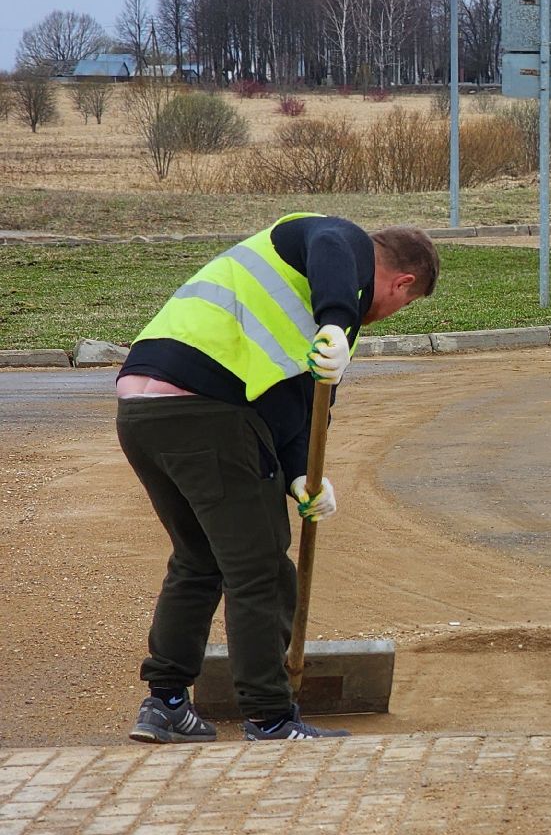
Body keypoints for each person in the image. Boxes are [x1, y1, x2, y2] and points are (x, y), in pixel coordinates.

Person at [118, 215, 439, 743]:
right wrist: (336, 319)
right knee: (261, 568)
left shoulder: (308, 306)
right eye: (405, 303)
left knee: (199, 561)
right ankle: (270, 716)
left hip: (143, 410)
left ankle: (166, 703)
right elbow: (335, 241)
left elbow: (301, 407)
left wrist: (301, 478)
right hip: (207, 410)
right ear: (403, 283)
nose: (393, 313)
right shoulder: (340, 251)